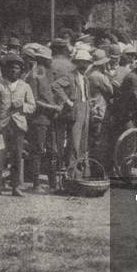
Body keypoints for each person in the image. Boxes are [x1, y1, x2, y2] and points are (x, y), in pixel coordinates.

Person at [24, 44, 61, 191]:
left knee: (52, 150)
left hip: (52, 118)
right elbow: (34, 99)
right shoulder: (34, 74)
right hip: (39, 118)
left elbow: (55, 93)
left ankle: (53, 184)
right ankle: (36, 183)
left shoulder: (51, 74)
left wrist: (58, 105)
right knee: (38, 150)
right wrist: (52, 107)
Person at [53, 48, 93, 176]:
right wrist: (67, 100)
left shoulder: (86, 78)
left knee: (84, 143)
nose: (85, 65)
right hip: (76, 110)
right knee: (74, 143)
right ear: (77, 63)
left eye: (86, 63)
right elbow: (55, 85)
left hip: (85, 109)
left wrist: (90, 106)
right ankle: (72, 172)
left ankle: (81, 172)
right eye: (82, 62)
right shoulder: (70, 76)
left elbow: (86, 96)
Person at [0, 54, 34, 197]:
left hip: (18, 125)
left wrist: (22, 106)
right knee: (0, 155)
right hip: (3, 124)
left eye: (17, 68)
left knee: (17, 156)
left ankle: (15, 186)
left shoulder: (25, 86)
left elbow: (32, 106)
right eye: (12, 68)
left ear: (21, 71)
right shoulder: (0, 84)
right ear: (7, 70)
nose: (14, 71)